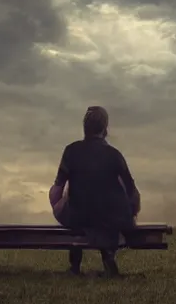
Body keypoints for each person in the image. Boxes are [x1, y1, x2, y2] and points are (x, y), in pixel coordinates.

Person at [49, 106, 141, 278]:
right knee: (106, 200)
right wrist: (132, 214)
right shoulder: (115, 155)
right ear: (105, 129)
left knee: (70, 196)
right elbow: (133, 192)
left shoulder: (71, 151)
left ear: (85, 128)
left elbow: (57, 190)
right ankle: (108, 258)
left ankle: (75, 265)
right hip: (111, 220)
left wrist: (57, 206)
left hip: (79, 216)